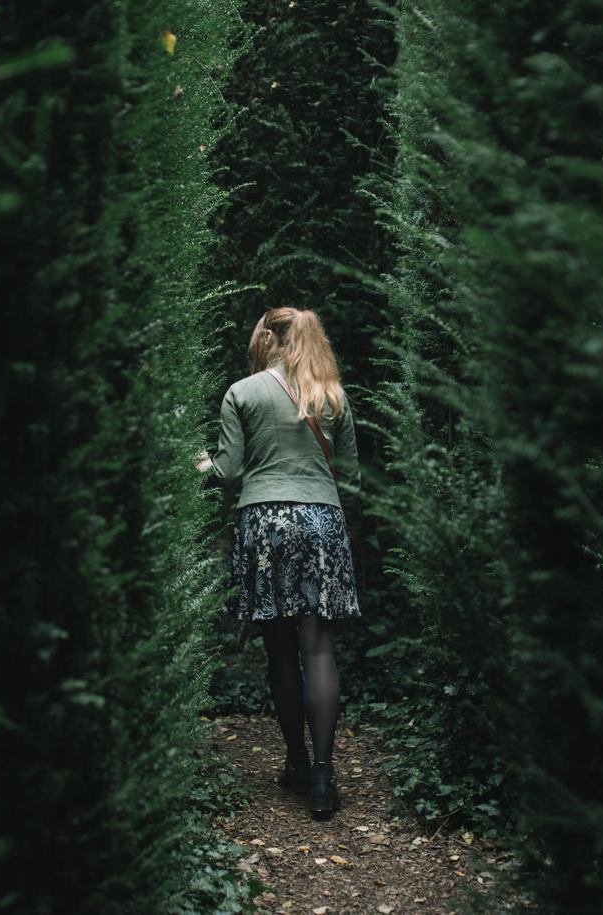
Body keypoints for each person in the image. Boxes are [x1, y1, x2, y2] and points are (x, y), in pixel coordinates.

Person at [195, 306, 361, 818]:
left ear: (266, 339)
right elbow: (351, 476)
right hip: (321, 521)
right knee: (319, 651)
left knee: (281, 654)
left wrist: (193, 460)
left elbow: (227, 470)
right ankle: (323, 776)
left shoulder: (242, 393)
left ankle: (294, 760)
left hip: (264, 522)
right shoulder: (331, 395)